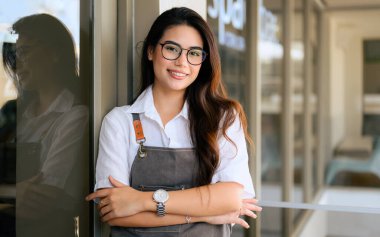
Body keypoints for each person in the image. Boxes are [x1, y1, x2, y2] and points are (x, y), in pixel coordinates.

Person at [86, 7, 262, 236]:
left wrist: (142, 200)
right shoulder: (120, 122)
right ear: (150, 51)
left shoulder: (224, 119)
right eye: (171, 49)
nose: (182, 62)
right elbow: (116, 212)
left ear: (203, 61)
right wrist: (208, 213)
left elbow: (233, 197)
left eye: (194, 53)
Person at [0, 13, 88, 237]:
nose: (16, 63)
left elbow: (40, 202)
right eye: (14, 54)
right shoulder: (13, 113)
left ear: (54, 53)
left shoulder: (74, 116)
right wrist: (13, 192)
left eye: (24, 52)